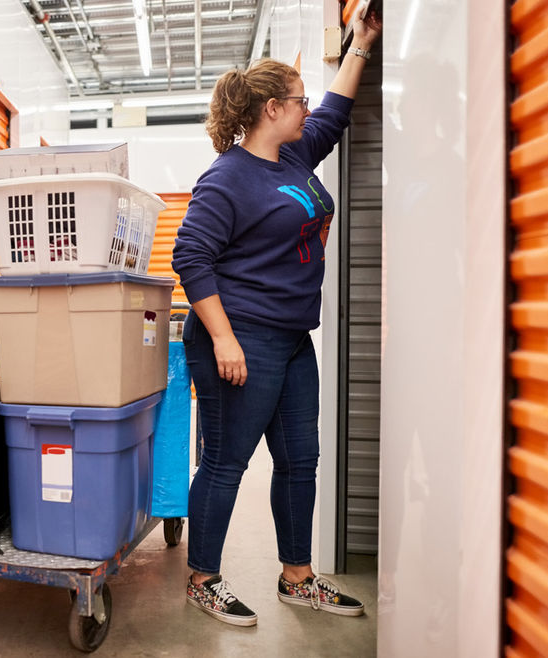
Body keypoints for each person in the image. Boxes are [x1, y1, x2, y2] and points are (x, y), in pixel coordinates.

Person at [170, 10, 382, 627]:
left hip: (290, 338)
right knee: (226, 461)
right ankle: (204, 579)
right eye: (298, 100)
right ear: (269, 109)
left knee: (299, 460)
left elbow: (336, 113)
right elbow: (191, 256)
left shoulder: (293, 159)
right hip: (237, 339)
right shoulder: (228, 178)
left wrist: (361, 44)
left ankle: (297, 578)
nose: (306, 108)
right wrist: (225, 340)